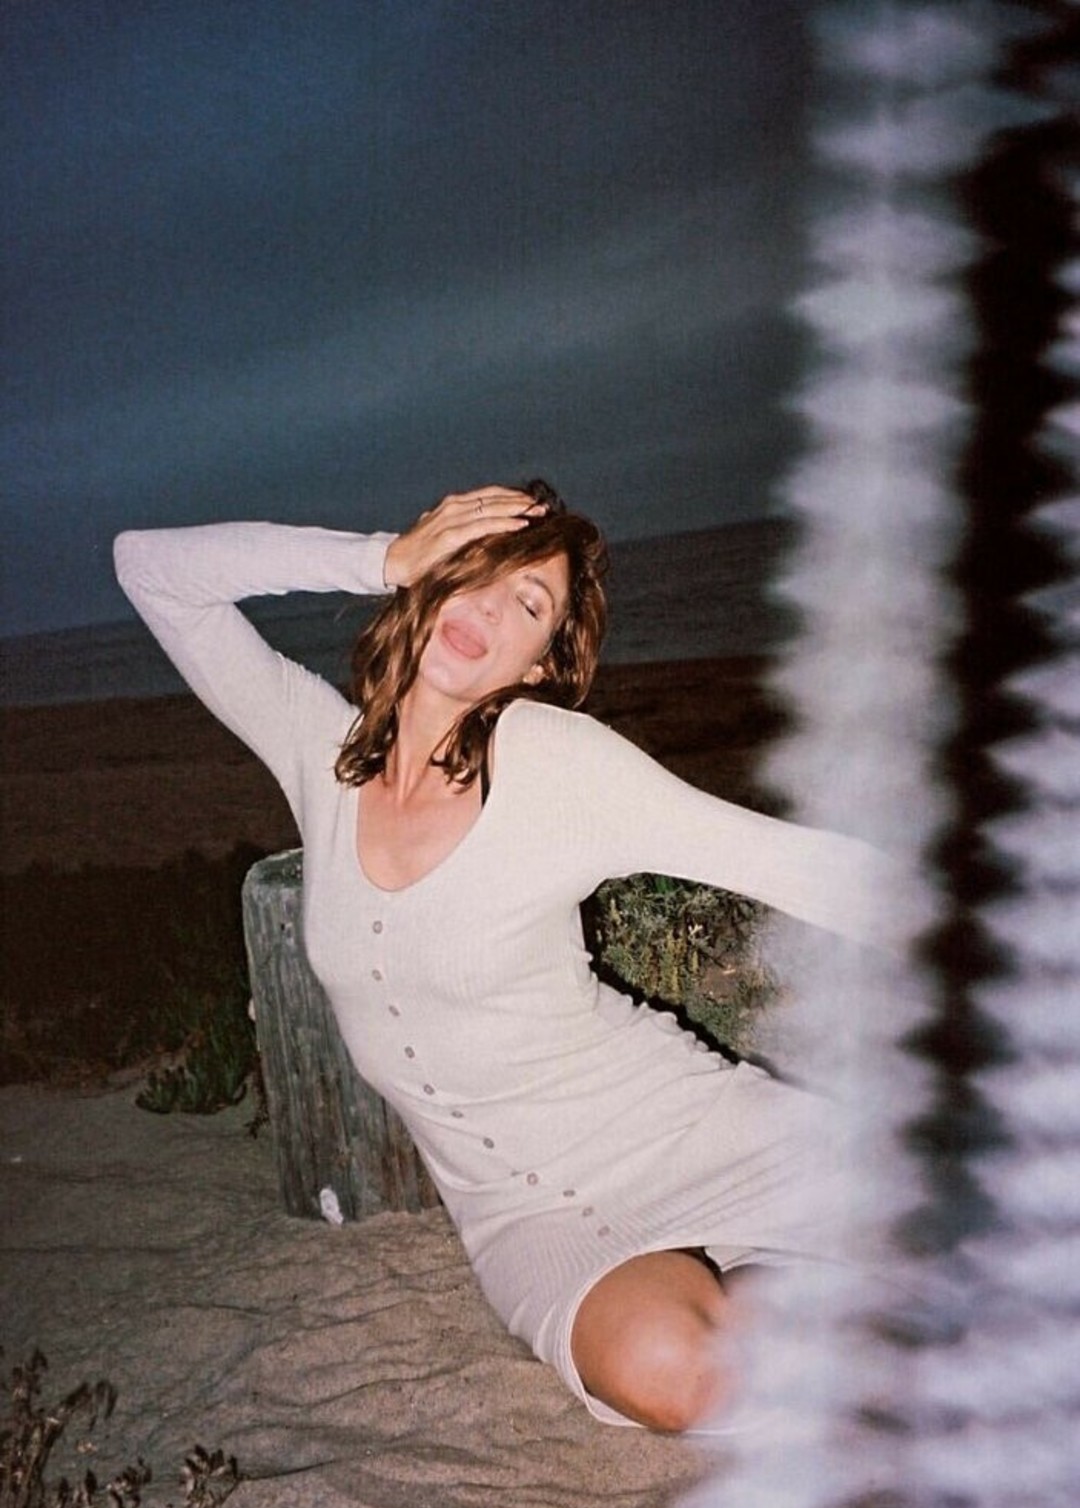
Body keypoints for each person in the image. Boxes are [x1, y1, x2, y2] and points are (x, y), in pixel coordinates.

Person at [114, 482, 895, 1433]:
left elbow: (798, 868)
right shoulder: (322, 754)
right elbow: (150, 568)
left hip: (699, 1141)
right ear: (431, 582)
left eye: (529, 604)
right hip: (526, 1227)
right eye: (475, 573)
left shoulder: (556, 763)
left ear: (540, 665)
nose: (488, 607)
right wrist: (380, 557)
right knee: (673, 1372)